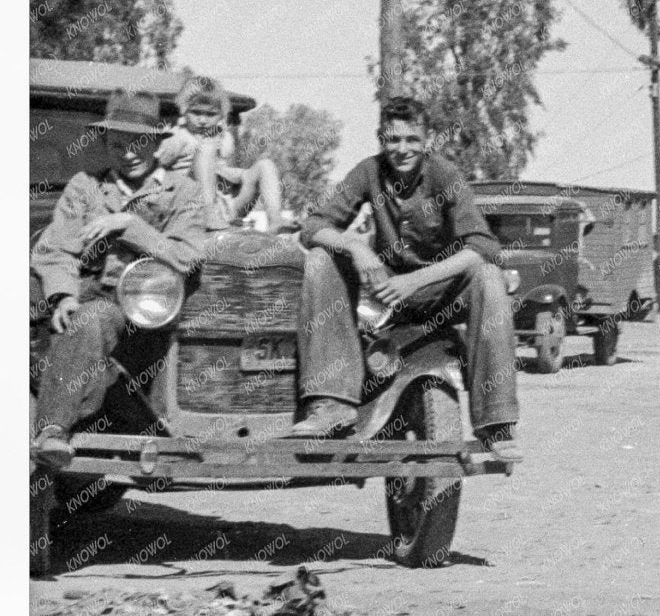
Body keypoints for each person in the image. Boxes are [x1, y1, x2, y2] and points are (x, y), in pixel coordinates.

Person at [291, 94, 521, 453]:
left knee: (489, 277)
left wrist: (415, 280)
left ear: (426, 140)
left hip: (441, 293)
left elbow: (483, 246)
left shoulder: (445, 174)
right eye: (393, 139)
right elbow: (314, 225)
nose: (402, 148)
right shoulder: (368, 171)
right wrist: (356, 246)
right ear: (381, 138)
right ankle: (331, 402)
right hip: (386, 297)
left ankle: (497, 423)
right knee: (321, 257)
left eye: (411, 139)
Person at [31, 89, 210, 457]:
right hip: (92, 297)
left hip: (150, 314)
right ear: (104, 144)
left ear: (158, 143)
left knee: (92, 319)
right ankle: (52, 435)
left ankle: (61, 428)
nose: (128, 154)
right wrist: (63, 293)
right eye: (117, 145)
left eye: (138, 143)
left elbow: (187, 258)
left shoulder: (184, 193)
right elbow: (56, 250)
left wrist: (129, 225)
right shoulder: (85, 187)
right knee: (83, 316)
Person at [155, 75, 286, 232]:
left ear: (222, 115)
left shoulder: (223, 137)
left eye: (210, 114)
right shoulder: (178, 137)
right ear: (183, 109)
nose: (202, 120)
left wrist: (242, 175)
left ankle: (276, 220)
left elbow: (220, 170)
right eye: (196, 112)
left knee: (266, 165)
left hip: (224, 207)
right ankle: (208, 214)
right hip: (190, 207)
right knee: (207, 148)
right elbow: (157, 169)